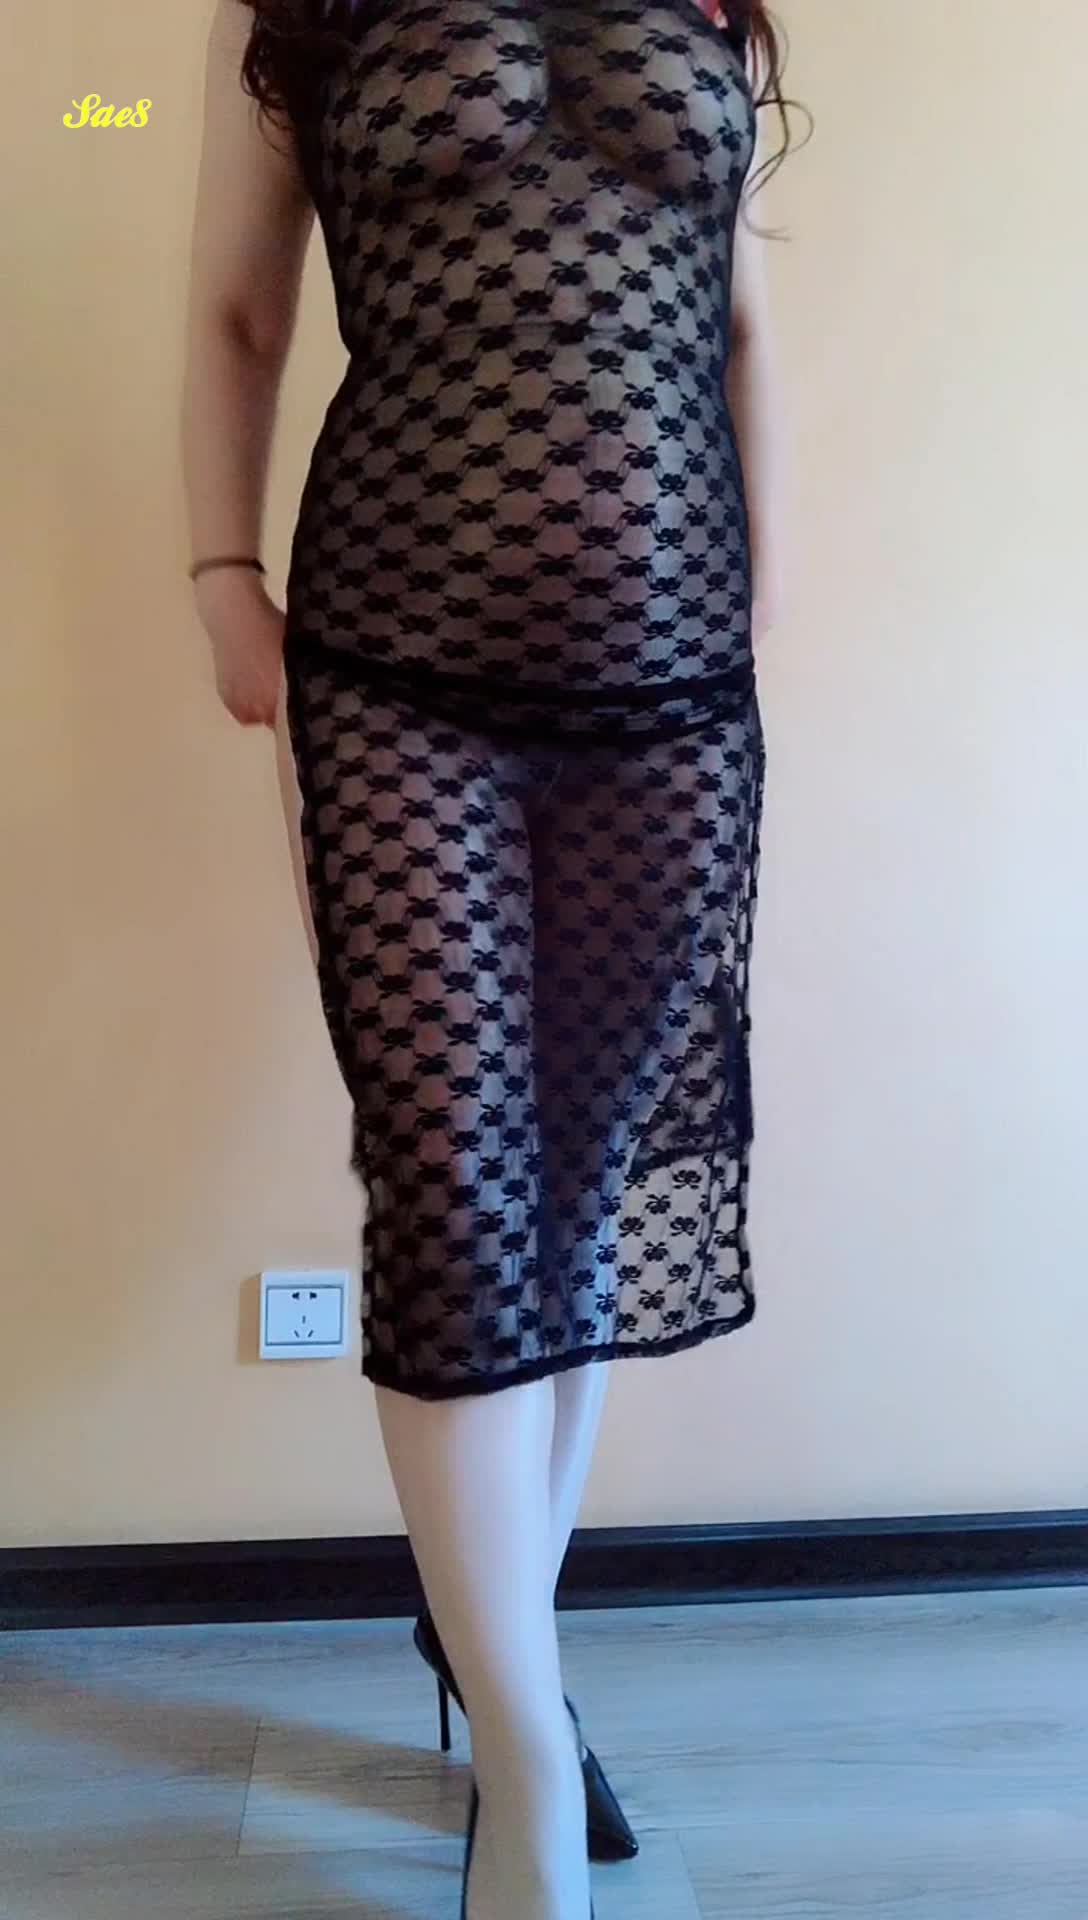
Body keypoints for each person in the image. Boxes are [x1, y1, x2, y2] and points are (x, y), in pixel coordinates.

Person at [181, 2, 794, 1913]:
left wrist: (755, 623)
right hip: (396, 680)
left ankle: (497, 1642)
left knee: (576, 1198)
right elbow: (240, 315)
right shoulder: (295, 5)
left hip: (669, 696)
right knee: (456, 1199)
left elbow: (741, 326)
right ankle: (524, 1765)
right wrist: (220, 571)